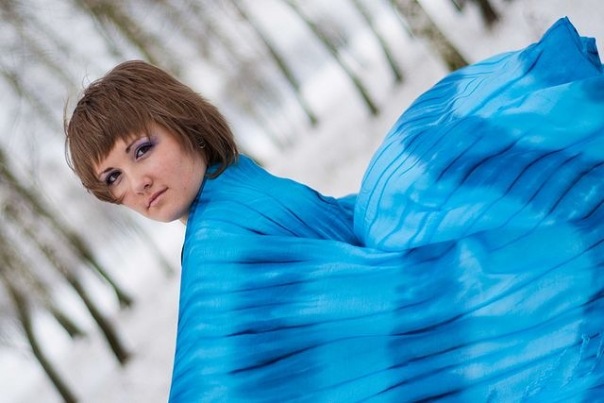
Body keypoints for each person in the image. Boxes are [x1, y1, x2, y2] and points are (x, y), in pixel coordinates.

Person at [65, 17, 604, 402]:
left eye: (142, 150)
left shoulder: (220, 238)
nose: (137, 182)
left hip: (402, 320)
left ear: (182, 123)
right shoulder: (233, 198)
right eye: (113, 178)